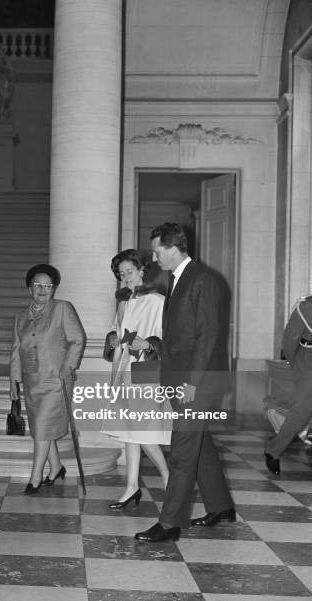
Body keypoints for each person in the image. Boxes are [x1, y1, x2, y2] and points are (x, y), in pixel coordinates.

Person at [135, 222, 234, 543]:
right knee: (198, 444)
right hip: (182, 379)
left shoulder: (203, 280)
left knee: (181, 451)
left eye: (157, 251)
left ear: (174, 249)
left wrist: (191, 383)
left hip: (198, 382)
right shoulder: (177, 279)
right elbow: (180, 337)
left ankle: (170, 523)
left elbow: (207, 337)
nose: (154, 257)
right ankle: (221, 506)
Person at [102, 249, 170, 509]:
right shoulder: (123, 302)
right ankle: (131, 487)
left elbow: (169, 336)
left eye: (129, 272)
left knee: (141, 431)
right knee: (129, 431)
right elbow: (117, 334)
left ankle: (168, 475)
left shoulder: (157, 301)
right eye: (121, 274)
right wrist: (113, 338)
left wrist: (150, 344)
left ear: (142, 270)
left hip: (146, 369)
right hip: (124, 367)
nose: (126, 278)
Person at [10, 264, 86, 494]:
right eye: (38, 284)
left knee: (42, 428)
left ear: (54, 289)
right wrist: (14, 381)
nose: (43, 289)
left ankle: (35, 477)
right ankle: (56, 467)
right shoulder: (21, 317)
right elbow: (15, 350)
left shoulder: (63, 309)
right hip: (32, 381)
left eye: (48, 285)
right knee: (41, 429)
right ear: (29, 288)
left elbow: (78, 339)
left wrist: (68, 366)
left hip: (56, 380)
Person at [265, 294, 312, 475]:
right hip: (308, 362)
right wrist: (297, 368)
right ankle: (273, 451)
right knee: (301, 411)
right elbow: (289, 341)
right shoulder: (306, 307)